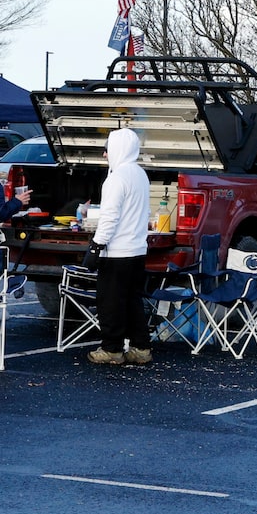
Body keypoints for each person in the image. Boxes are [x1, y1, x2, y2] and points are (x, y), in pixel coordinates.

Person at [87, 125, 154, 367]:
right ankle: (141, 347)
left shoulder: (115, 179)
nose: (105, 154)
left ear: (116, 150)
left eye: (107, 149)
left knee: (110, 301)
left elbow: (109, 217)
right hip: (137, 249)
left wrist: (96, 245)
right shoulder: (140, 174)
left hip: (117, 251)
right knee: (132, 300)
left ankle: (112, 348)